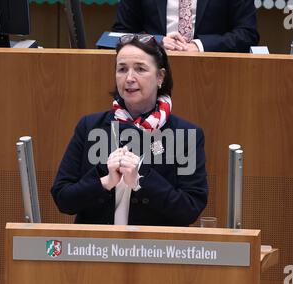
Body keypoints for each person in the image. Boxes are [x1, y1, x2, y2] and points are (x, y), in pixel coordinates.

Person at [51, 35, 208, 226]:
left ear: (160, 77)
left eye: (140, 69)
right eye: (122, 69)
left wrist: (142, 180)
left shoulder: (185, 134)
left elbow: (190, 209)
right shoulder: (90, 126)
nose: (129, 78)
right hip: (95, 249)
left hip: (156, 250)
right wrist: (105, 181)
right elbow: (63, 198)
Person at [112, 0, 259, 53]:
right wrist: (155, 42)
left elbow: (247, 35)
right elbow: (119, 35)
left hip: (213, 72)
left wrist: (200, 46)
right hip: (151, 71)